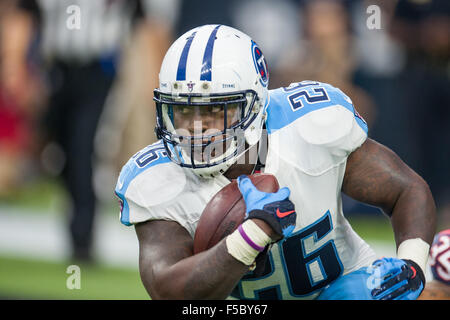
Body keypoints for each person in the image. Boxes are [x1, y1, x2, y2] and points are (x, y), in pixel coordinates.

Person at [114, 25, 436, 299]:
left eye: (213, 110)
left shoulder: (308, 128)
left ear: (254, 106)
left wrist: (412, 267)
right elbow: (167, 288)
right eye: (184, 111)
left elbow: (406, 190)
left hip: (345, 286)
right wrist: (251, 235)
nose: (197, 128)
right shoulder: (157, 178)